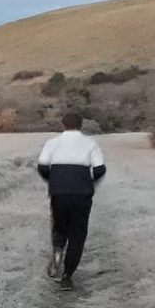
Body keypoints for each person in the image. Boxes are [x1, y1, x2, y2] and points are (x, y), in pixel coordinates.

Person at [37, 113, 106, 290]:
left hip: (59, 192)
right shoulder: (90, 144)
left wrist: (53, 181)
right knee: (77, 234)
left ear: (63, 124)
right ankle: (67, 276)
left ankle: (58, 248)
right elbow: (99, 169)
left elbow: (43, 166)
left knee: (59, 225)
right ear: (81, 125)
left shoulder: (52, 143)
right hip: (82, 194)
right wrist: (89, 181)